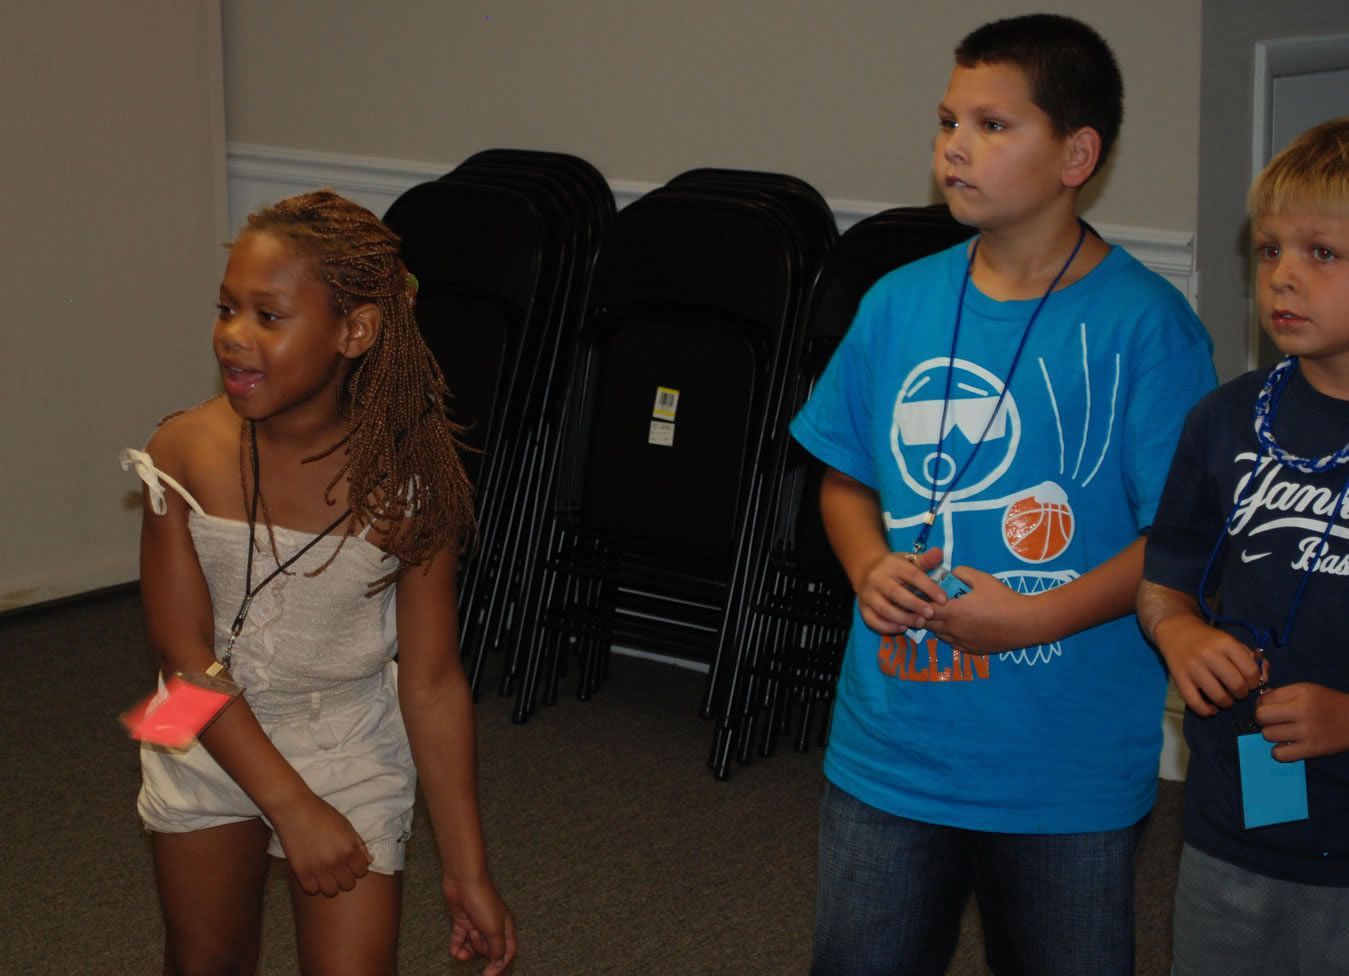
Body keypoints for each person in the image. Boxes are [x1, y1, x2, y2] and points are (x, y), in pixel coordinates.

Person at [790, 13, 1215, 976]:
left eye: (991, 125)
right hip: (888, 753)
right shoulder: (897, 300)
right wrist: (867, 565)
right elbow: (845, 476)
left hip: (1059, 770)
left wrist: (1031, 618)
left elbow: (1178, 538)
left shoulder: (1146, 328)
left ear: (1076, 153)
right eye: (947, 120)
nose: (954, 146)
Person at [121, 190, 515, 975]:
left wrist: (467, 869)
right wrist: (292, 809)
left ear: (355, 331)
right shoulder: (184, 450)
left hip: (345, 743)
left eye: (268, 316)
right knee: (203, 963)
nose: (233, 336)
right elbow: (183, 659)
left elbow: (432, 682)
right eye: (227, 307)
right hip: (206, 732)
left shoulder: (409, 481)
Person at [1139, 118, 1349, 975]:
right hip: (1232, 830)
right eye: (1267, 252)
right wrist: (1183, 634)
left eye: (1321, 253)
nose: (1282, 277)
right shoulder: (1223, 419)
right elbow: (1167, 574)